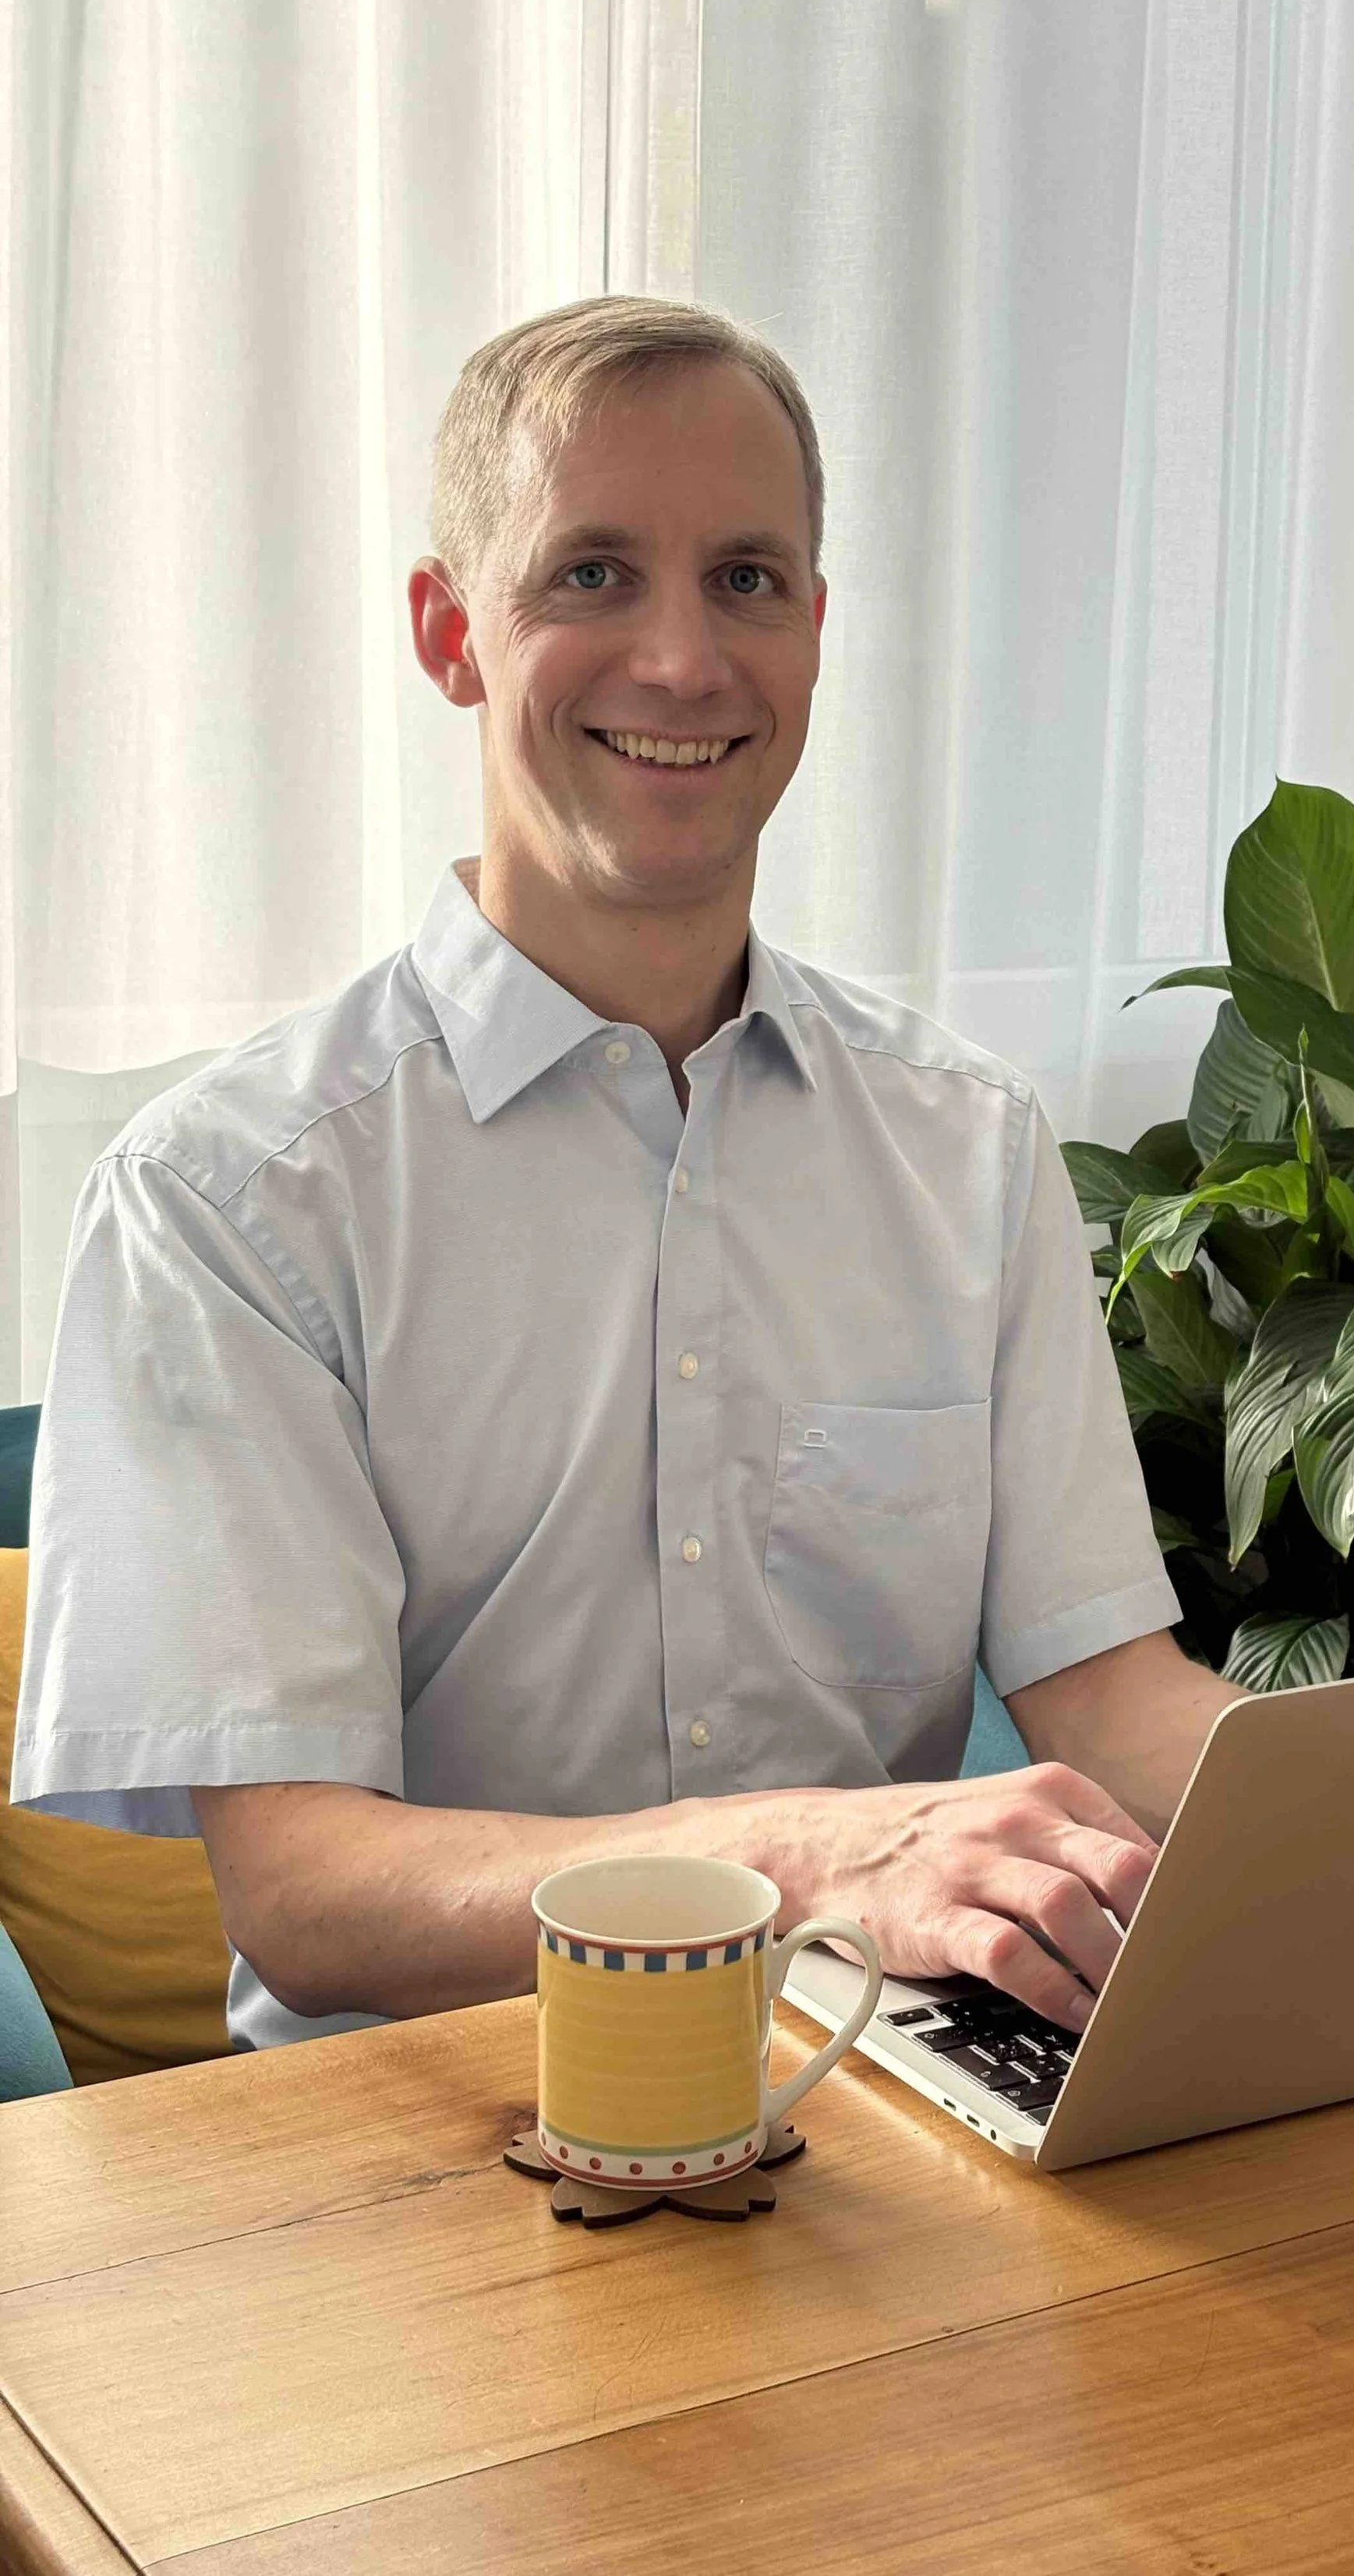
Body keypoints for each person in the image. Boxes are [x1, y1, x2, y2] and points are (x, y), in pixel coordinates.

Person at [10, 296, 1239, 2057]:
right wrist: (821, 1855)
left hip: (875, 2113)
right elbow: (304, 1887)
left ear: (815, 629)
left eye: (746, 579)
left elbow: (1107, 1691)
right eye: (590, 573)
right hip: (420, 2160)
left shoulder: (968, 1142)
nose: (681, 659)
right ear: (451, 632)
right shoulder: (223, 1201)